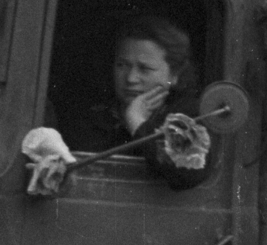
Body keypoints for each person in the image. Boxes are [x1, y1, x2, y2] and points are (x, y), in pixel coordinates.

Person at [67, 15, 213, 187]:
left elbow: (189, 173)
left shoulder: (189, 116)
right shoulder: (92, 116)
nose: (131, 78)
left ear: (174, 75)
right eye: (122, 65)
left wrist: (137, 123)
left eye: (145, 68)